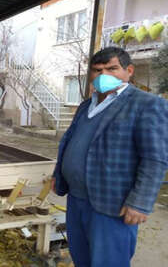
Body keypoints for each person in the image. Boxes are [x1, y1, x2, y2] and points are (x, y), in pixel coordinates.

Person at [52, 47, 168, 267]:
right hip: (77, 199)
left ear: (129, 70)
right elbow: (71, 142)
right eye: (97, 70)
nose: (103, 75)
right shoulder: (87, 104)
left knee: (108, 262)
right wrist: (59, 174)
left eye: (112, 68)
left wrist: (141, 202)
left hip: (112, 204)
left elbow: (155, 158)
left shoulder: (147, 105)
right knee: (81, 257)